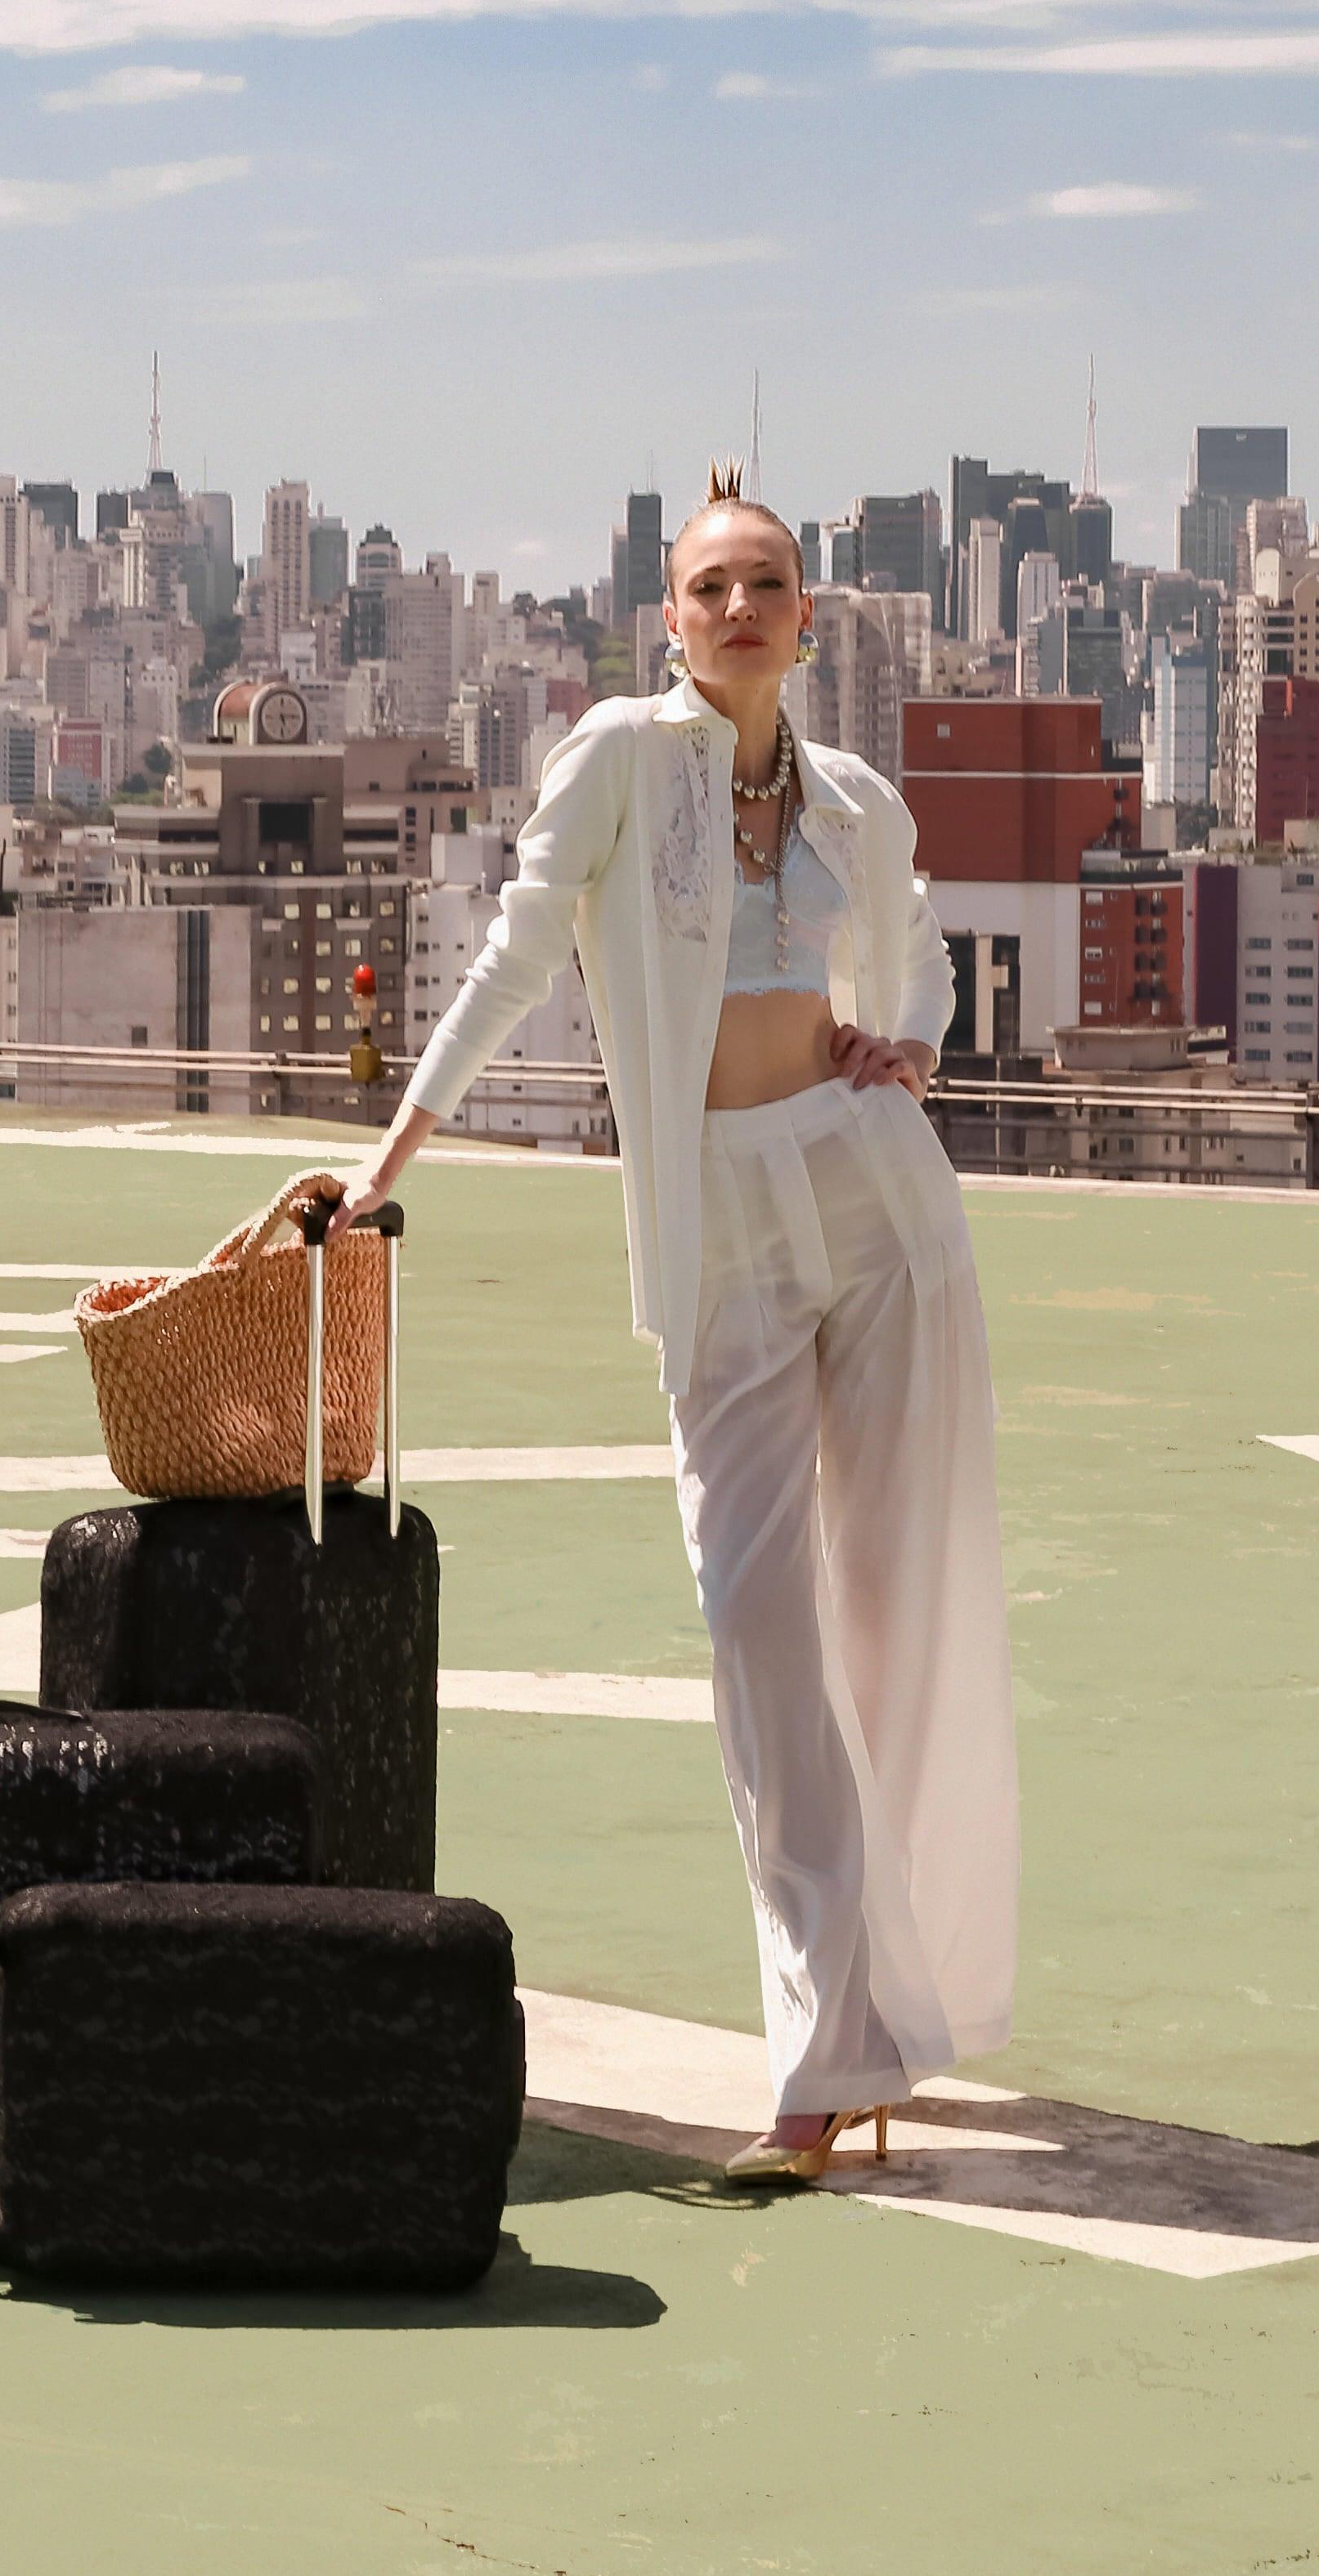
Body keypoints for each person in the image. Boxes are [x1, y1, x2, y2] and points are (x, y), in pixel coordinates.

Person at [334, 466, 1019, 2182]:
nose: (735, 610)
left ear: (805, 618)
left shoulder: (856, 798)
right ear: (668, 618)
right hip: (715, 1219)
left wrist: (908, 1046)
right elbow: (512, 950)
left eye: (765, 585)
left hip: (872, 1197)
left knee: (893, 1604)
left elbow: (921, 965)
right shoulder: (627, 761)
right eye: (708, 586)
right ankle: (840, 2028)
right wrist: (394, 1146)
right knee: (749, 1616)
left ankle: (852, 2046)